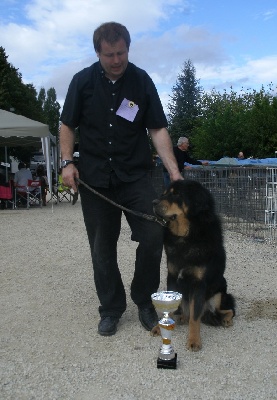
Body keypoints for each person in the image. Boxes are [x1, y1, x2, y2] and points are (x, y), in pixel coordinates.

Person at [60, 22, 182, 337]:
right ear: (98, 52)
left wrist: (174, 170)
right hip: (96, 179)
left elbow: (157, 128)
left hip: (135, 176)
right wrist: (66, 162)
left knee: (154, 235)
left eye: (121, 53)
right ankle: (111, 309)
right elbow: (67, 125)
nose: (116, 60)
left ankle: (143, 300)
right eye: (110, 54)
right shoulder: (82, 82)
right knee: (102, 248)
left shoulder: (141, 81)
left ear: (128, 48)